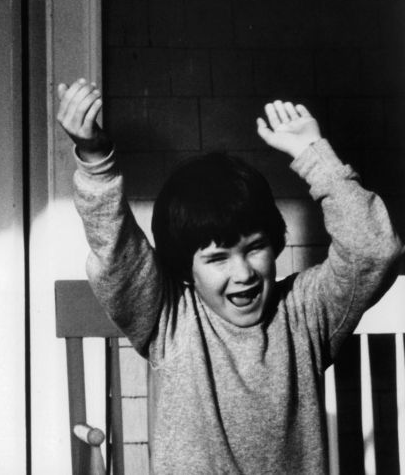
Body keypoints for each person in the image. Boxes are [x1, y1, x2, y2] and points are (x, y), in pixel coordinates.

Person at [57, 78, 402, 473]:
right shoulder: (171, 321)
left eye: (255, 248)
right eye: (218, 258)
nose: (244, 273)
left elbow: (374, 249)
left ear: (275, 243)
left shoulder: (306, 315)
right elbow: (118, 252)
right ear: (184, 269)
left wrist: (314, 156)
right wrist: (95, 159)